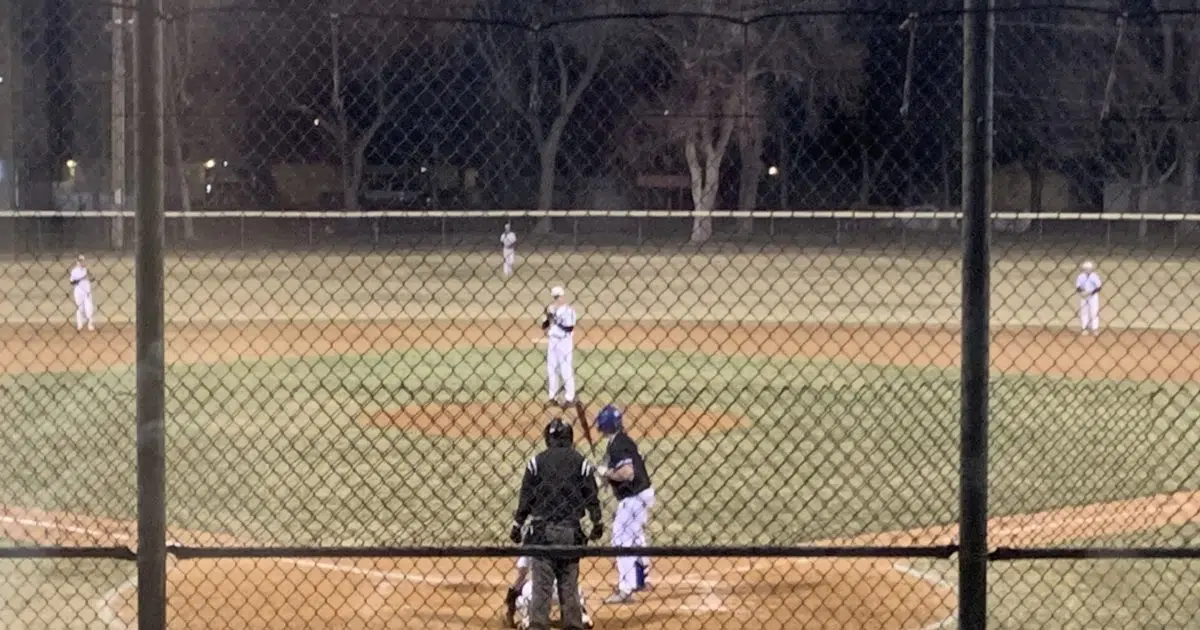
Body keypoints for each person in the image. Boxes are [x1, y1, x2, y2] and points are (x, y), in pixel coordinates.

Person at [510, 417, 604, 630]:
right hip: (570, 532)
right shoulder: (581, 462)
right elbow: (591, 496)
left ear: (548, 438)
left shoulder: (536, 462)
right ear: (570, 438)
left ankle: (538, 626)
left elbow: (526, 499)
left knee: (541, 587)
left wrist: (517, 525)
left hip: (542, 533)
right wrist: (597, 522)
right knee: (569, 586)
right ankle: (573, 625)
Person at [594, 404, 655, 604]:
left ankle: (626, 588)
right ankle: (641, 577)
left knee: (621, 539)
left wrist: (607, 473)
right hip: (642, 493)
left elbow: (627, 473)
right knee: (635, 535)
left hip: (634, 497)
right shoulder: (620, 441)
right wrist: (605, 477)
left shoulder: (618, 445)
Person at [505, 555, 593, 629]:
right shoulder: (567, 540)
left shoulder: (532, 539)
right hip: (564, 590)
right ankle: (580, 616)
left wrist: (513, 591)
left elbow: (521, 575)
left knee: (523, 591)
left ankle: (529, 618)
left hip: (538, 592)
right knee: (573, 586)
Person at [542, 286, 577, 407]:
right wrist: (547, 319)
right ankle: (553, 397)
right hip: (552, 341)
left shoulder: (569, 311)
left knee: (565, 369)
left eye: (558, 297)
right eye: (555, 297)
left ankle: (570, 398)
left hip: (564, 342)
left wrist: (554, 320)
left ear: (563, 296)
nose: (557, 299)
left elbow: (569, 327)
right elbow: (544, 325)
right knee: (551, 369)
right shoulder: (551, 309)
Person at [69, 255, 96, 332]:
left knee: (89, 308)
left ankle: (90, 324)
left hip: (87, 291)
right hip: (78, 292)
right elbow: (72, 282)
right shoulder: (74, 271)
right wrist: (82, 278)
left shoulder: (86, 270)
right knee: (80, 308)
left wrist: (89, 276)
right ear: (77, 262)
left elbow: (92, 279)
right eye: (79, 261)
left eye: (82, 261)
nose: (81, 262)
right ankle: (79, 324)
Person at [1075, 260, 1102, 335]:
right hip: (1084, 296)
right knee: (1084, 311)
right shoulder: (1081, 276)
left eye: (1089, 268)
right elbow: (1078, 287)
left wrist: (1090, 292)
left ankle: (1095, 328)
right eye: (1086, 268)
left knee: (1094, 311)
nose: (1088, 270)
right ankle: (1085, 328)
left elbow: (1099, 287)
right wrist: (1082, 292)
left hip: (1093, 296)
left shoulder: (1094, 276)